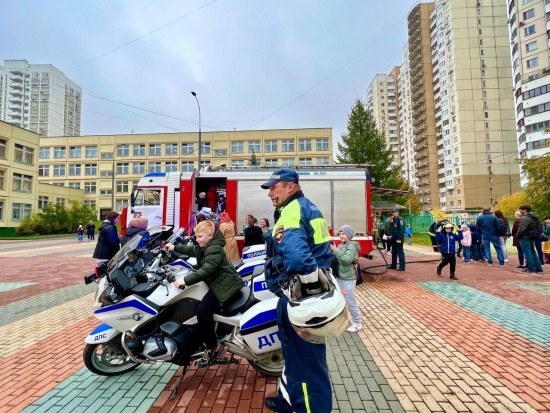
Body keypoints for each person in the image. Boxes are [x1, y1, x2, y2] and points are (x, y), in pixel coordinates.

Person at [261, 168, 336, 413]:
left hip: (300, 299)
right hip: (308, 296)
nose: (270, 193)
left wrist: (300, 293)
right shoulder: (306, 207)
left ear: (291, 186)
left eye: (275, 187)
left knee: (306, 363)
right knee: (294, 357)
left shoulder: (293, 210)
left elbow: (297, 257)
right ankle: (286, 402)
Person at [165, 220, 243, 367]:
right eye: (196, 236)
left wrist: (185, 280)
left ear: (210, 235)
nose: (197, 239)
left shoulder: (214, 249)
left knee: (202, 312)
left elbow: (207, 270)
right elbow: (192, 250)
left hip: (224, 287)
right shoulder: (207, 246)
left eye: (200, 236)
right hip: (217, 283)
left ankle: (213, 346)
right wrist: (174, 247)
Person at [330, 225, 362, 333]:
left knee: (350, 301)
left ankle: (357, 324)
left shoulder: (352, 247)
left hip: (348, 278)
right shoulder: (342, 245)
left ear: (349, 235)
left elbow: (347, 260)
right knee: (341, 299)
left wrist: (335, 250)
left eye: (343, 234)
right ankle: (343, 320)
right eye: (339, 234)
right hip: (340, 276)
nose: (341, 236)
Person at [516, 205, 544, 274]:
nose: (520, 211)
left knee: (527, 252)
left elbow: (521, 229)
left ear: (525, 210)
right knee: (533, 252)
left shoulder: (525, 218)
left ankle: (531, 268)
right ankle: (539, 268)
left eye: (520, 210)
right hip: (533, 236)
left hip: (525, 237)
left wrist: (518, 235)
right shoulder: (535, 217)